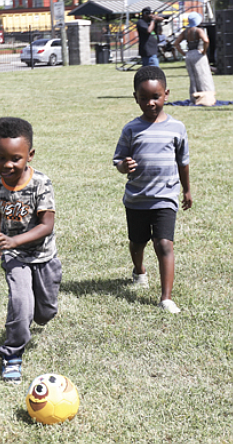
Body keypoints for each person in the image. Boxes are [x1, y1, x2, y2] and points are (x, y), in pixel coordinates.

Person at [113, 66, 192, 314]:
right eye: (144, 98)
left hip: (166, 198)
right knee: (137, 242)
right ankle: (139, 270)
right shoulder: (131, 129)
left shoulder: (177, 128)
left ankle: (165, 297)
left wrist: (187, 190)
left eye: (155, 97)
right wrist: (124, 166)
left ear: (166, 94)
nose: (150, 103)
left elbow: (183, 162)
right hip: (137, 199)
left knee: (164, 244)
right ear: (135, 97)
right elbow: (118, 160)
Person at [0, 117, 62, 384]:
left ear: (29, 155)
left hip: (43, 255)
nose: (7, 165)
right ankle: (12, 356)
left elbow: (47, 226)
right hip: (14, 256)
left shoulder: (41, 183)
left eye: (15, 159)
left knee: (44, 313)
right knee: (21, 303)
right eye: (0, 158)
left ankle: (37, 311)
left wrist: (14, 241)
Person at [174, 11, 215, 104]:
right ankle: (206, 98)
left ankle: (194, 98)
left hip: (189, 55)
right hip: (198, 54)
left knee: (193, 78)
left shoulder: (185, 32)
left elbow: (176, 44)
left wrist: (184, 54)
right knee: (203, 76)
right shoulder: (198, 30)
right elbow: (206, 40)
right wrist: (204, 51)